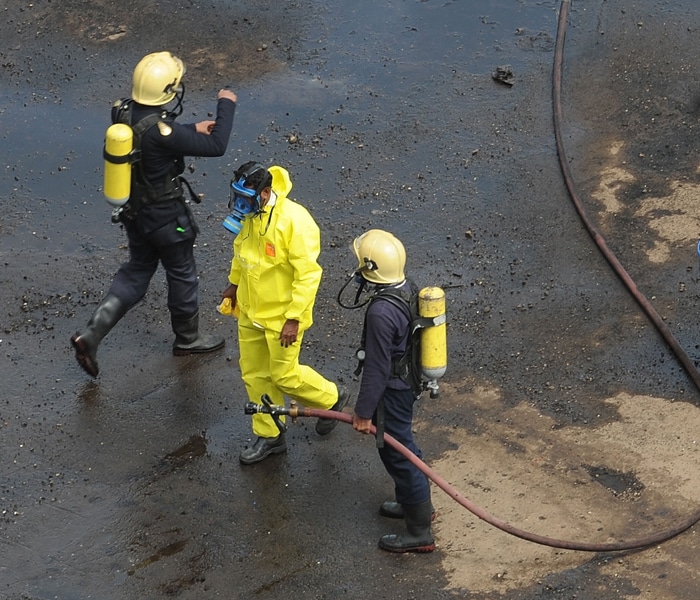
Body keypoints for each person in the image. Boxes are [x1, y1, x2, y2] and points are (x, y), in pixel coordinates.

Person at [71, 51, 238, 377]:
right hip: (166, 217)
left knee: (137, 271)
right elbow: (217, 146)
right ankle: (188, 338)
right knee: (182, 273)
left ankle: (91, 335)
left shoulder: (123, 113)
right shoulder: (165, 132)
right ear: (167, 91)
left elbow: (153, 136)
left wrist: (191, 128)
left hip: (136, 214)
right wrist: (226, 103)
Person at [221, 162, 349, 465]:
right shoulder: (251, 216)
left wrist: (294, 318)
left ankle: (331, 398)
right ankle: (270, 435)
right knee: (254, 375)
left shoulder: (295, 222)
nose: (240, 203)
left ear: (265, 193)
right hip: (251, 312)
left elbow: (308, 275)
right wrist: (233, 284)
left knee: (284, 376)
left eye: (246, 196)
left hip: (282, 319)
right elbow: (242, 252)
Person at [348, 229, 435, 553]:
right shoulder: (405, 288)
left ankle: (419, 532)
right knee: (404, 447)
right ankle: (416, 504)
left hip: (393, 390)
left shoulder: (381, 312)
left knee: (398, 453)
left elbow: (377, 369)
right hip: (407, 381)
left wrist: (362, 412)